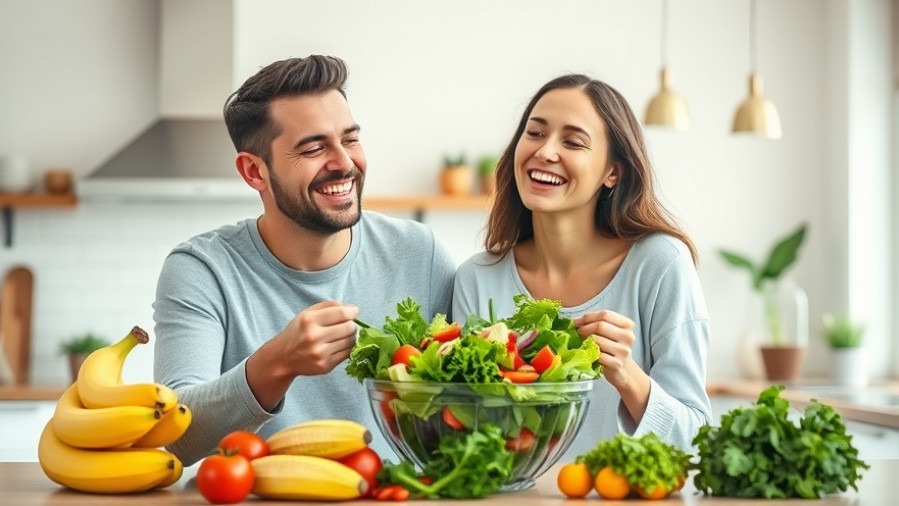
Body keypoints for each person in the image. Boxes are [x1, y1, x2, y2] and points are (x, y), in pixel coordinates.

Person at [153, 55, 456, 466]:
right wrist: (276, 363)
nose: (345, 163)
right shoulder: (202, 270)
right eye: (314, 147)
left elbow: (469, 399)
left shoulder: (419, 253)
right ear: (254, 172)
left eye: (350, 139)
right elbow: (178, 436)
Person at [452, 74, 711, 455]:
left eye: (573, 142)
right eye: (535, 133)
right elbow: (464, 436)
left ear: (613, 172)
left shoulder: (660, 265)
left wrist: (627, 376)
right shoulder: (478, 278)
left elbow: (697, 440)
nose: (545, 152)